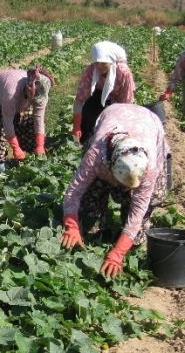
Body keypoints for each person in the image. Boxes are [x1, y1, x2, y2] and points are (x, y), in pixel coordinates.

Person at [60, 103, 170, 278]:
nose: (127, 189)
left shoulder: (149, 167)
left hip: (149, 125)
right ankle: (94, 233)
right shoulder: (96, 155)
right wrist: (71, 226)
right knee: (91, 196)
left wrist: (118, 252)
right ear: (111, 167)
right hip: (113, 116)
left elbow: (139, 208)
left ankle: (129, 247)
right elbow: (75, 191)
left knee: (150, 199)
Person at [0, 64, 55, 175]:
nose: (36, 102)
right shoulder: (11, 92)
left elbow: (39, 119)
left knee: (28, 122)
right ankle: (0, 168)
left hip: (17, 99)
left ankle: (29, 160)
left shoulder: (41, 92)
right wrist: (15, 147)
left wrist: (40, 145)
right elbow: (7, 121)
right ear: (28, 88)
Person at [71, 41, 136, 144]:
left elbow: (126, 102)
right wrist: (76, 126)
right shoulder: (91, 70)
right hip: (98, 94)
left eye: (103, 63)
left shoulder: (123, 72)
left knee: (111, 126)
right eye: (97, 63)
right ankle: (86, 143)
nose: (99, 67)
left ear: (111, 61)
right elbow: (79, 99)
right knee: (88, 116)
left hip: (118, 101)